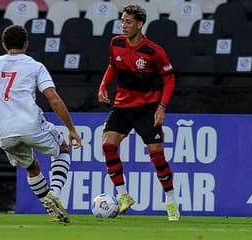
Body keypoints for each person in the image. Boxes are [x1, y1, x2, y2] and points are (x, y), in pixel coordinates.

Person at [0, 25, 81, 223]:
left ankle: (52, 212)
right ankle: (55, 193)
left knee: (32, 167)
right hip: (31, 124)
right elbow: (54, 99)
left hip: (5, 134)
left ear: (4, 44)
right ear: (26, 44)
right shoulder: (35, 66)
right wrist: (71, 129)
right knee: (62, 149)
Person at [97, 4, 180, 221]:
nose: (124, 26)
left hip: (147, 108)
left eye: (128, 22)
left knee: (156, 155)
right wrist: (103, 85)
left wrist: (162, 107)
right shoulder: (115, 43)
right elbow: (112, 65)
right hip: (122, 106)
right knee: (107, 145)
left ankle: (171, 203)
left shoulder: (154, 51)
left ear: (140, 24)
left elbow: (169, 78)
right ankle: (124, 196)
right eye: (122, 21)